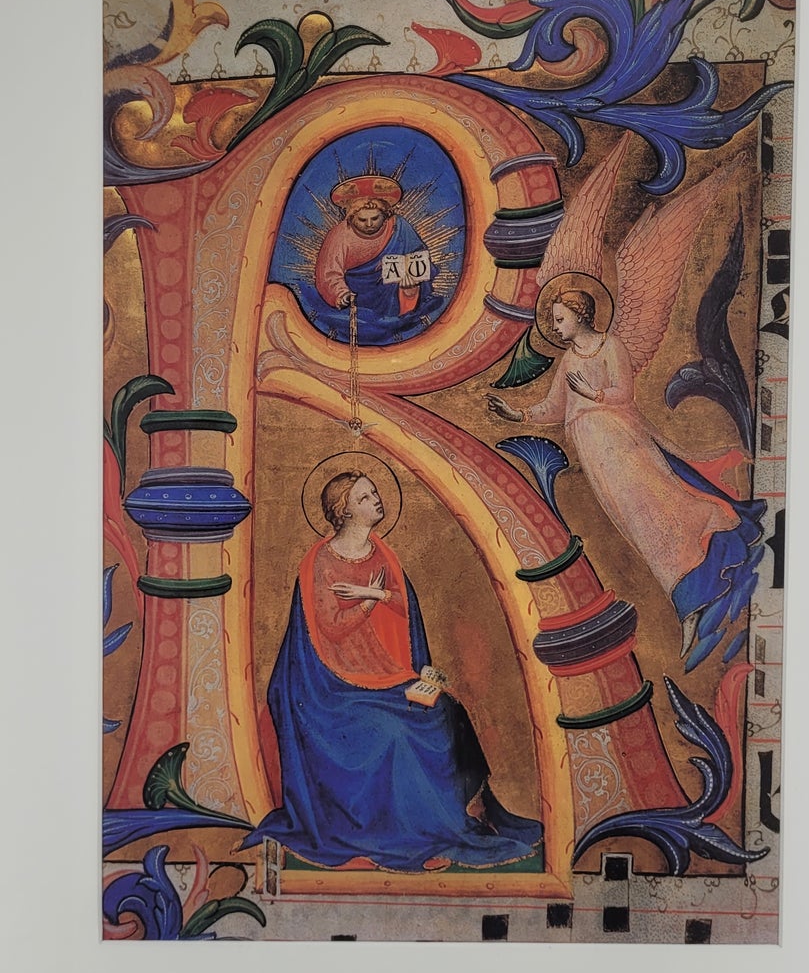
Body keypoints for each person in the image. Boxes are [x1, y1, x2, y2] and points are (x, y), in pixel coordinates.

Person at [246, 470, 541, 871]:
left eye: (374, 492)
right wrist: (371, 602)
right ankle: (410, 833)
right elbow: (331, 628)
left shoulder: (384, 555)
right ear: (344, 511)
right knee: (394, 732)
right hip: (333, 690)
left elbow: (404, 606)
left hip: (387, 674)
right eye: (364, 497)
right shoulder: (321, 563)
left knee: (446, 712)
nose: (376, 500)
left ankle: (459, 815)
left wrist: (372, 593)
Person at [489, 287, 763, 669]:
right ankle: (685, 603)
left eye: (560, 318)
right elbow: (553, 407)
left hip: (622, 442)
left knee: (659, 511)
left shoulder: (610, 346)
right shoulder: (569, 360)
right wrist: (517, 415)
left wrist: (594, 393)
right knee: (637, 529)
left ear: (580, 315)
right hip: (596, 456)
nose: (555, 326)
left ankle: (711, 561)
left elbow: (623, 392)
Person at [312, 174, 431, 344]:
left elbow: (418, 258)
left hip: (393, 296)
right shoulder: (340, 235)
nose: (369, 224)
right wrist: (341, 293)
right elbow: (328, 272)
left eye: (375, 218)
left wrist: (411, 286)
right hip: (357, 298)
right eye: (362, 219)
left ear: (385, 214)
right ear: (351, 217)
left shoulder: (398, 227)